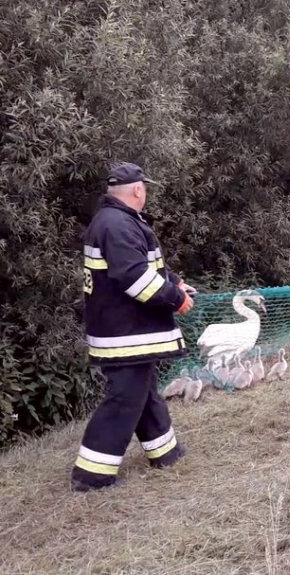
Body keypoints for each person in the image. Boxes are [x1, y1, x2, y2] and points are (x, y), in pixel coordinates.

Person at [72, 163, 195, 491]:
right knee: (125, 399)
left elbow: (147, 267)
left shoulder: (115, 221)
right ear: (138, 189)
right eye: (146, 188)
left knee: (142, 392)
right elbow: (135, 278)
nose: (146, 193)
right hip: (125, 334)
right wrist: (175, 299)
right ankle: (91, 476)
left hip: (127, 332)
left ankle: (166, 453)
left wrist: (176, 282)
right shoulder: (118, 225)